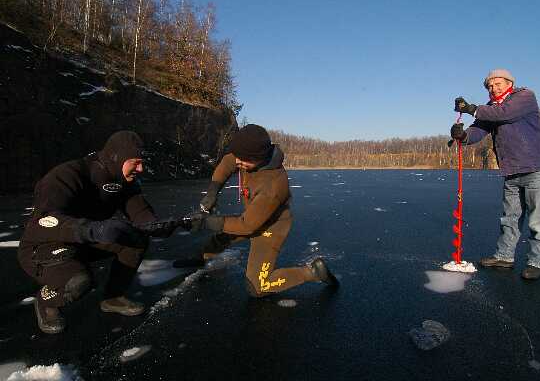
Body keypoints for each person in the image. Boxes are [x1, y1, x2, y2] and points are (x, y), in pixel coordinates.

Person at [18, 131, 179, 334]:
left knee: (135, 239)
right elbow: (43, 223)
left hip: (84, 240)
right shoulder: (68, 174)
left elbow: (142, 216)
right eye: (135, 162)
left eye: (142, 162)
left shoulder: (125, 182)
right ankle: (46, 300)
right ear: (116, 157)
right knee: (78, 281)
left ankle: (113, 296)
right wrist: (94, 229)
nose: (141, 168)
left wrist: (163, 226)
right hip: (42, 245)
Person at [184, 124, 338, 297]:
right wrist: (213, 191)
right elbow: (228, 162)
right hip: (252, 215)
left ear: (260, 158)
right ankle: (200, 258)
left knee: (258, 287)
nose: (237, 162)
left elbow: (247, 226)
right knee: (222, 236)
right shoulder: (244, 157)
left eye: (242, 160)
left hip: (271, 228)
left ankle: (313, 273)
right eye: (238, 157)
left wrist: (207, 222)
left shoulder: (273, 185)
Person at [451, 69, 540, 280]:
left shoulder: (524, 97)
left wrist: (472, 108)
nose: (493, 88)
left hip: (536, 169)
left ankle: (536, 262)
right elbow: (478, 130)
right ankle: (504, 257)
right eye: (490, 86)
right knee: (510, 218)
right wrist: (462, 135)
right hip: (511, 170)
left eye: (498, 83)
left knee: (538, 221)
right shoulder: (491, 108)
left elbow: (504, 113)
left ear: (509, 83)